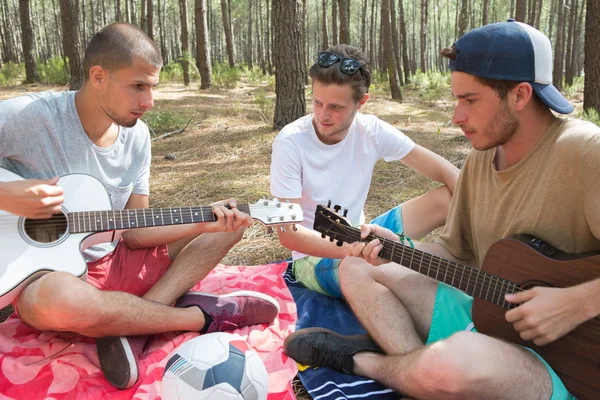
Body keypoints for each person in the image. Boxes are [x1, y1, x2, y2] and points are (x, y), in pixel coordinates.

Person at [284, 20, 600, 400]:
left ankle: (369, 364)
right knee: (357, 265)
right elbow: (454, 254)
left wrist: (575, 303)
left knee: (455, 363)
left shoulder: (584, 153)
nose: (456, 116)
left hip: (572, 368)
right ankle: (419, 372)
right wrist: (397, 246)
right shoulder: (482, 161)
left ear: (520, 95)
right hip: (491, 321)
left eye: (470, 101)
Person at [0, 22, 279, 390]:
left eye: (152, 87)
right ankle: (196, 317)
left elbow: (135, 231)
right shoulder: (29, 118)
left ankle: (130, 326)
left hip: (116, 258)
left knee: (234, 223)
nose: (149, 102)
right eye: (137, 86)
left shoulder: (137, 136)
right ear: (98, 76)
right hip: (50, 278)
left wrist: (204, 222)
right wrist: (9, 196)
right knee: (61, 300)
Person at [270, 44, 459, 298]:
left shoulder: (371, 130)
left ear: (362, 102)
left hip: (363, 236)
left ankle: (474, 273)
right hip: (315, 259)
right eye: (317, 102)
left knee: (448, 199)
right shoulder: (290, 141)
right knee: (376, 269)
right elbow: (288, 234)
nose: (323, 115)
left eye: (335, 107)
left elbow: (446, 171)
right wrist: (354, 248)